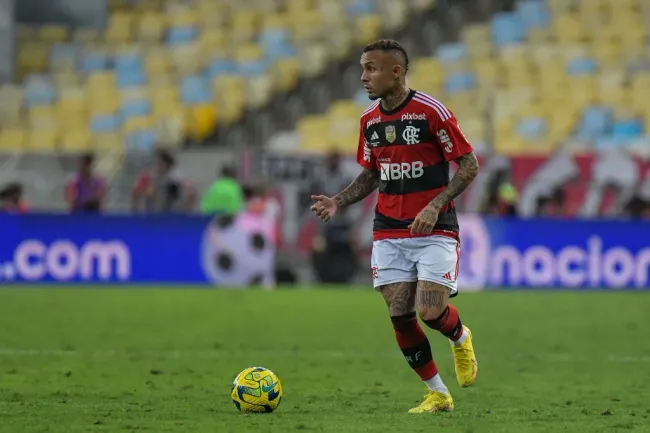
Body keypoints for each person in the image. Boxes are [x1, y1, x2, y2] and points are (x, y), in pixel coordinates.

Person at [310, 39, 480, 414]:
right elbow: (372, 174)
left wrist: (435, 205)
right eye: (362, 68)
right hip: (388, 229)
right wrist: (337, 200)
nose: (363, 77)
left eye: (371, 68)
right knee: (399, 313)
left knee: (430, 311)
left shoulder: (431, 112)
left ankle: (459, 336)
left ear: (396, 72)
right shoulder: (369, 121)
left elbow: (469, 165)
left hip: (434, 228)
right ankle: (437, 393)